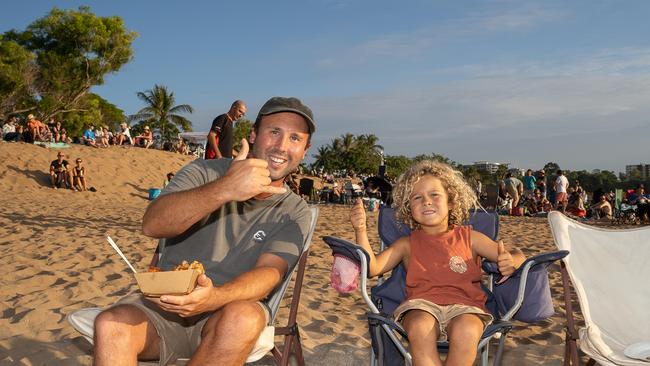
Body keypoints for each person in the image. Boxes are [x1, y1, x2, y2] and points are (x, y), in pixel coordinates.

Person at [93, 96, 316, 365]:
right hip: (165, 303)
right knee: (110, 325)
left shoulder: (295, 210)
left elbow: (270, 273)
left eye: (295, 138)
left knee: (243, 318)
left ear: (305, 150)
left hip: (227, 311)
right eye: (274, 132)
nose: (281, 146)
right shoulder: (204, 172)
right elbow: (153, 224)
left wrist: (214, 298)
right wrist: (225, 189)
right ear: (254, 134)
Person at [350, 160, 525, 366]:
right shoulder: (407, 244)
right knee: (418, 326)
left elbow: (517, 254)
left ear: (451, 202)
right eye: (417, 197)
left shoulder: (471, 238)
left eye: (434, 195)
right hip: (421, 305)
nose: (426, 201)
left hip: (466, 307)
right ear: (409, 207)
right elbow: (373, 268)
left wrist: (511, 260)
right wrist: (360, 230)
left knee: (467, 330)